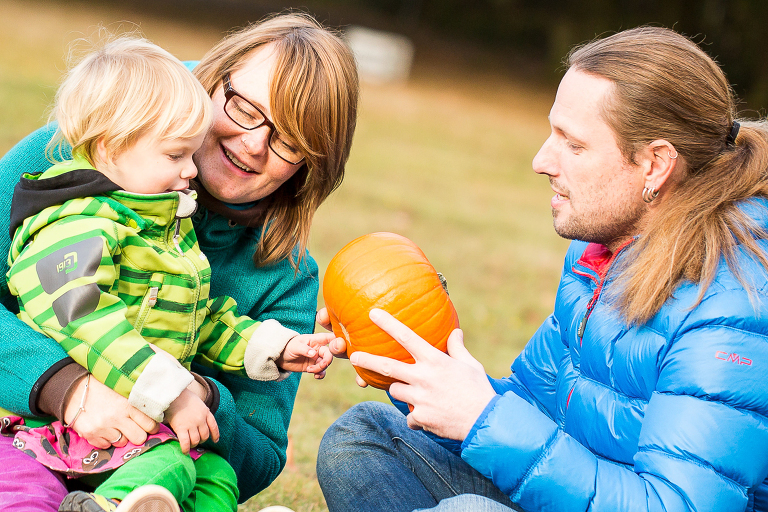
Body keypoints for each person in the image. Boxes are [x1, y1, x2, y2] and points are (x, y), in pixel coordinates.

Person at [316, 26, 768, 511]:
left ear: (655, 164)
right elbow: (536, 415)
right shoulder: (602, 251)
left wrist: (484, 418)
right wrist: (419, 370)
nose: (540, 160)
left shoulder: (730, 304)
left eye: (573, 145)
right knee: (360, 439)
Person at [0, 12, 358, 512]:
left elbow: (258, 457)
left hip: (156, 459)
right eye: (244, 108)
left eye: (289, 142)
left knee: (205, 479)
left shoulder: (286, 274)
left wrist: (201, 395)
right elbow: (71, 303)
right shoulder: (97, 143)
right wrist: (66, 387)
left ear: (311, 167)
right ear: (214, 82)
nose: (253, 144)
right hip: (26, 433)